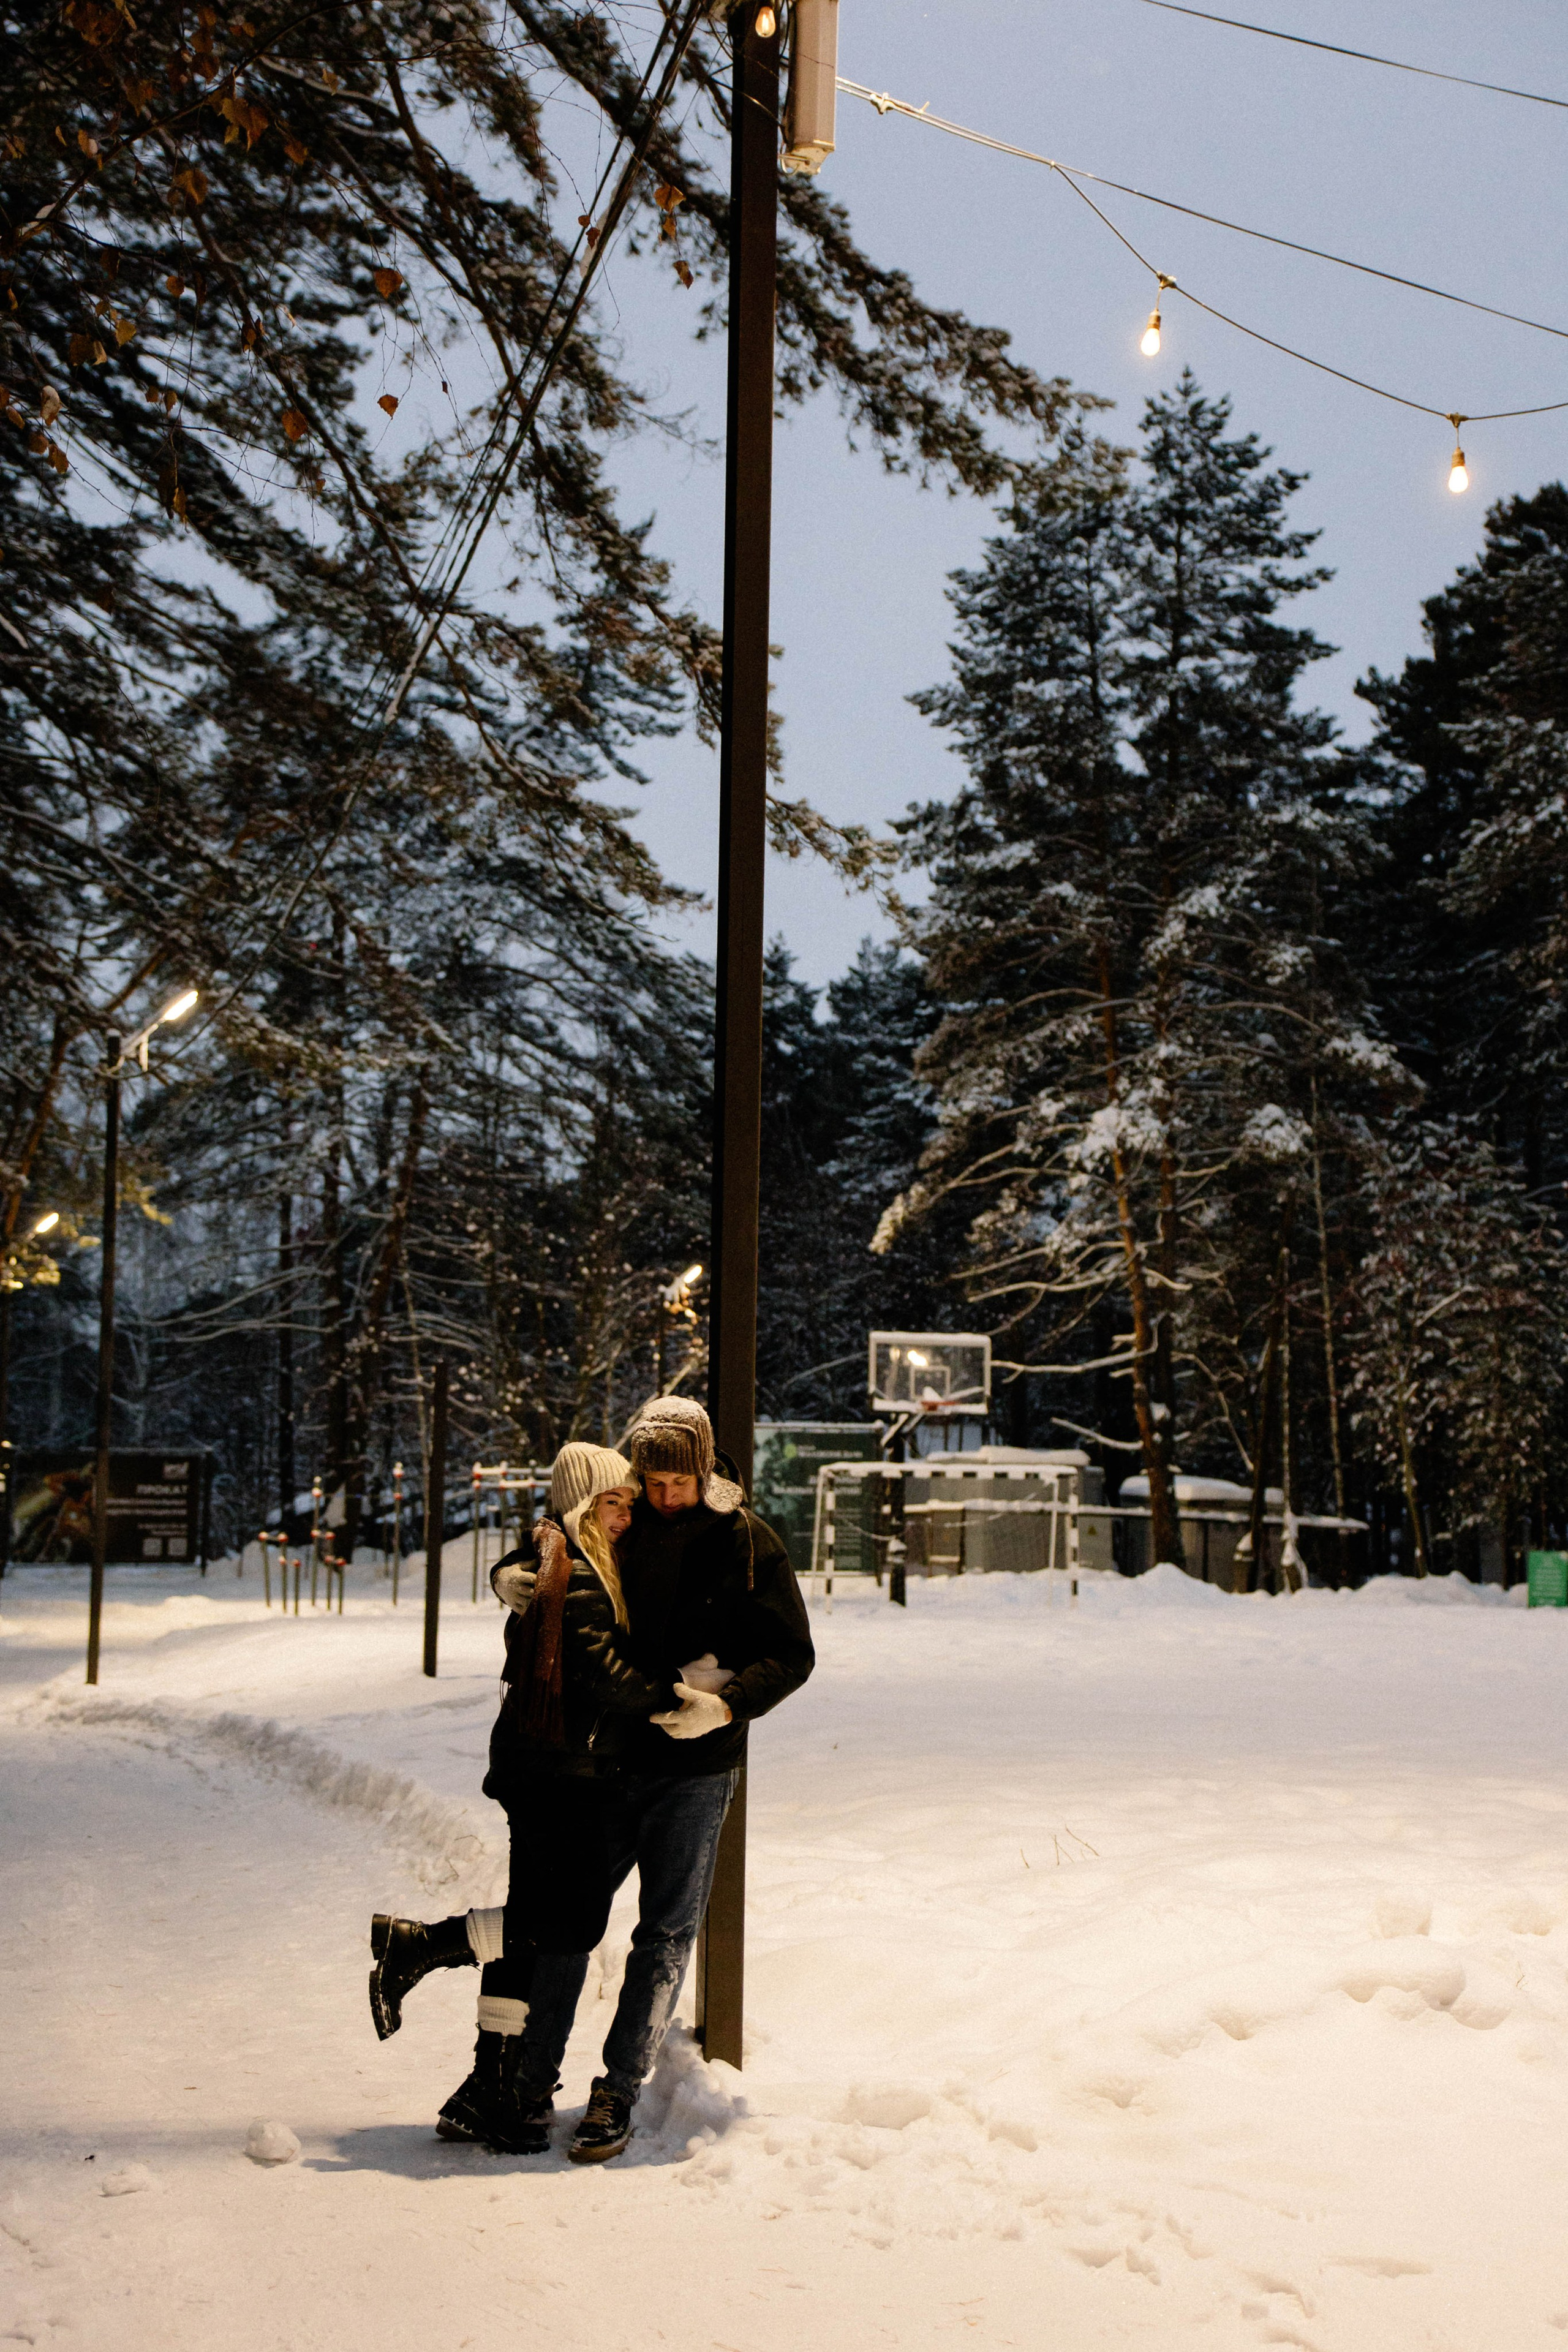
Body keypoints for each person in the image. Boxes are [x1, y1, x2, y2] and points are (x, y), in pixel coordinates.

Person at [366, 1444, 703, 2155]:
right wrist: (675, 1698)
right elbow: (604, 1674)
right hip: (554, 1777)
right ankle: (424, 1950)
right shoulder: (572, 1568)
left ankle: (490, 2089)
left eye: (627, 1503)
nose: (624, 1515)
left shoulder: (561, 1557)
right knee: (560, 1928)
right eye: (611, 1503)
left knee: (541, 1929)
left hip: (552, 1771)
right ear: (581, 1504)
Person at [523, 1393, 816, 2165]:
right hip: (610, 1760)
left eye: (677, 1483)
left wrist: (726, 1708)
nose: (664, 1497)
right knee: (571, 1922)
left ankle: (618, 2086)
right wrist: (514, 1577)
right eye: (653, 1482)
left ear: (704, 1469)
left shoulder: (748, 1540)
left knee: (664, 1932)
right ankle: (529, 2080)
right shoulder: (626, 1524)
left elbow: (793, 1654)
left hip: (697, 1770)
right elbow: (560, 1536)